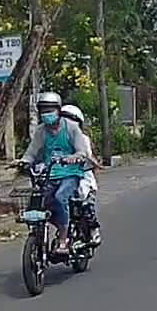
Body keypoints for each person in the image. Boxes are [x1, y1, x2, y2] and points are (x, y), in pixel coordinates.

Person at [18, 92, 92, 256]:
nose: (47, 114)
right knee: (39, 202)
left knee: (60, 197)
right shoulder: (41, 131)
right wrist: (24, 161)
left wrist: (74, 157)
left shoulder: (71, 128)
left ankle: (63, 239)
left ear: (58, 110)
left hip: (70, 173)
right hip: (50, 174)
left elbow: (82, 151)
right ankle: (41, 232)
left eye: (50, 110)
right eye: (43, 111)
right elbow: (31, 152)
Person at [58, 104, 102, 248]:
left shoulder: (83, 139)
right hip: (61, 178)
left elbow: (86, 156)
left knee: (86, 205)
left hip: (83, 178)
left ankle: (94, 231)